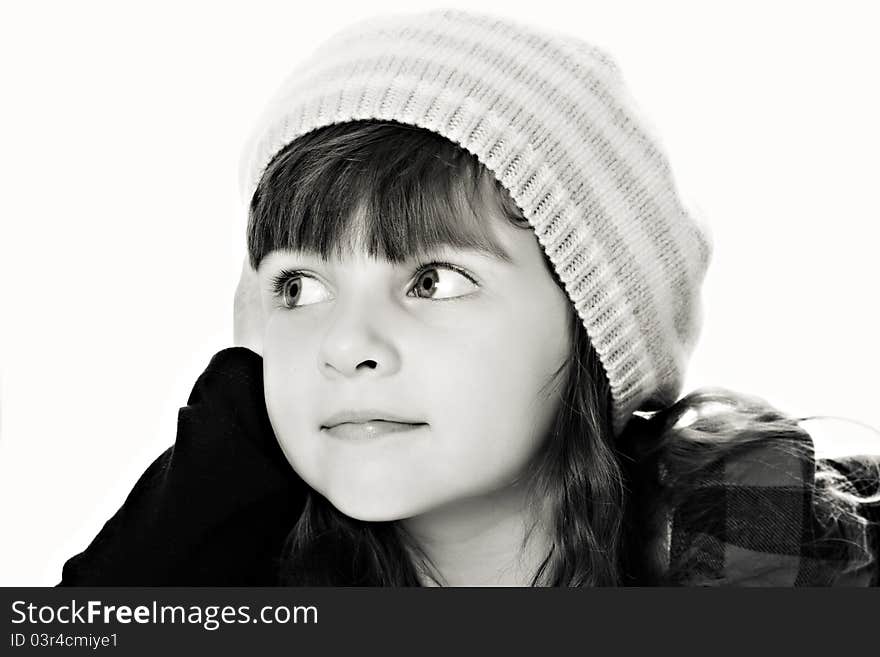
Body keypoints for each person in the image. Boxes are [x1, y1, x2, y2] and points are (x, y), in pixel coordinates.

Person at [58, 9, 880, 587]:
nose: (347, 344)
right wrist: (232, 435)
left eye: (432, 280)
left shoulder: (786, 549)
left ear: (593, 321)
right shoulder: (247, 582)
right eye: (299, 286)